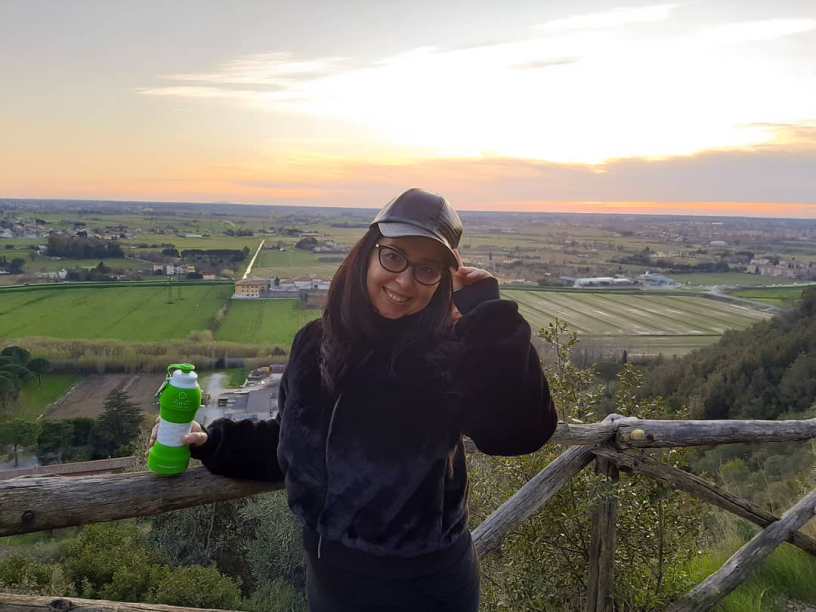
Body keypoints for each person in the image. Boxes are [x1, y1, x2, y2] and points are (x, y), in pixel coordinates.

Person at [149, 187, 558, 611]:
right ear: (367, 253)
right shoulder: (315, 342)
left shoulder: (449, 353)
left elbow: (518, 434)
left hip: (424, 590)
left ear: (441, 282)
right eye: (394, 256)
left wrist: (487, 321)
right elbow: (292, 441)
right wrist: (213, 443)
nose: (404, 281)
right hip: (329, 581)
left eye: (427, 269)